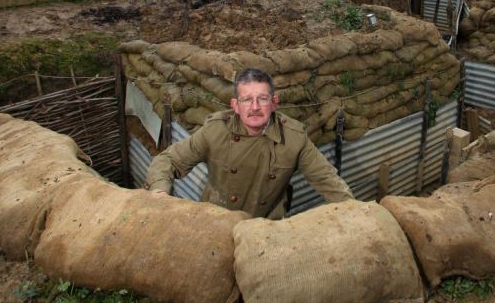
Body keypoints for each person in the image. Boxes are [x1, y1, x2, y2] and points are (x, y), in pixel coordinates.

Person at [145, 67, 353, 219]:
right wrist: (160, 192)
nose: (254, 107)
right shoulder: (216, 130)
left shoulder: (294, 137)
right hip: (217, 221)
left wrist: (355, 210)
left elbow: (327, 179)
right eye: (247, 100)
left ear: (274, 102)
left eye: (262, 99)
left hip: (265, 228)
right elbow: (168, 159)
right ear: (235, 105)